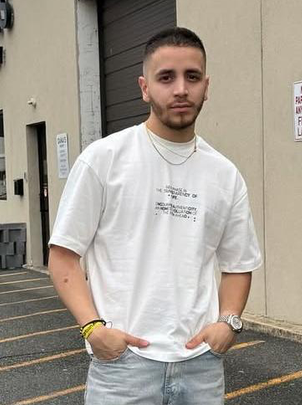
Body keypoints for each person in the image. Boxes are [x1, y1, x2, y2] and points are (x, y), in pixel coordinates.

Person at [48, 26, 262, 404]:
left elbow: (238, 264)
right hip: (123, 366)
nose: (181, 89)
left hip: (201, 365)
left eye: (192, 77)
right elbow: (63, 255)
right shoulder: (104, 160)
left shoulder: (224, 175)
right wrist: (93, 329)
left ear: (206, 86)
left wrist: (228, 323)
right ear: (145, 88)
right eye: (166, 77)